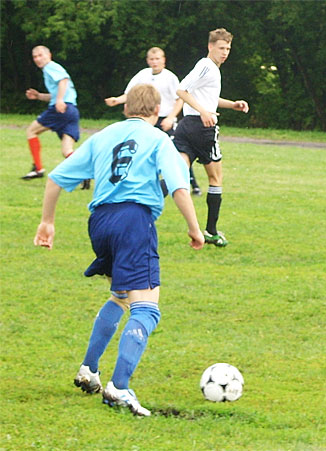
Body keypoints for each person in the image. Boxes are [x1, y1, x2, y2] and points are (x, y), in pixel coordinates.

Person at [33, 84, 205, 416]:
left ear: (127, 109)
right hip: (133, 221)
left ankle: (89, 369)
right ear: (156, 111)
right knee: (146, 308)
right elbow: (180, 187)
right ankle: (119, 388)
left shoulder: (103, 135)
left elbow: (55, 178)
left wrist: (47, 222)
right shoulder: (158, 139)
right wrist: (195, 229)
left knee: (122, 295)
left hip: (100, 223)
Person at [174, 28, 250, 247]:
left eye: (228, 49)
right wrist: (204, 112)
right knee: (215, 179)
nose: (225, 52)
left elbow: (208, 98)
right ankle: (211, 231)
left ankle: (140, 218)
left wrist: (232, 104)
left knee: (176, 177)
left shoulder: (212, 69)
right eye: (221, 48)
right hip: (202, 129)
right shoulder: (206, 65)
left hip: (186, 127)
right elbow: (182, 90)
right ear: (210, 47)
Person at [104, 47, 202, 195]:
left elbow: (180, 100)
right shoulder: (142, 75)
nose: (155, 62)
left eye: (158, 59)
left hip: (164, 119)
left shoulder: (170, 78)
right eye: (152, 59)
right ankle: (130, 180)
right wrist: (116, 100)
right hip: (145, 119)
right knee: (136, 148)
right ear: (148, 60)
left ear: (164, 60)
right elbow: (130, 94)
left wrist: (171, 117)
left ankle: (192, 183)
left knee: (177, 151)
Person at [24, 46, 88, 188]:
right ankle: (85, 173)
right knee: (67, 151)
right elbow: (58, 92)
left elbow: (63, 81)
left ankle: (38, 169)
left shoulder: (50, 67)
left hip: (61, 109)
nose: (38, 59)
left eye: (40, 55)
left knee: (31, 131)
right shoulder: (52, 69)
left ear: (49, 55)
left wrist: (59, 100)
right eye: (35, 57)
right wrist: (39, 96)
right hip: (72, 110)